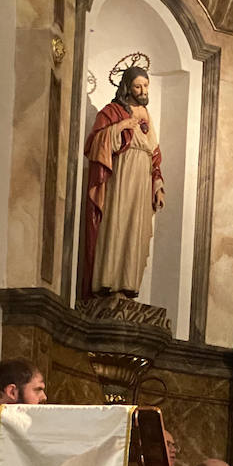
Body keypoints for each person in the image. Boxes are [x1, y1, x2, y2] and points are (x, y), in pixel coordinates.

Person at [81, 64, 165, 299]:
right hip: (121, 176)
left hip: (142, 179)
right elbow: (94, 144)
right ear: (127, 87)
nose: (143, 90)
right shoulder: (112, 111)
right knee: (117, 223)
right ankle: (107, 282)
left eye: (146, 85)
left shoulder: (148, 116)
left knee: (136, 229)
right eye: (138, 86)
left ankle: (128, 283)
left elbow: (155, 154)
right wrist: (119, 127)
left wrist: (158, 185)